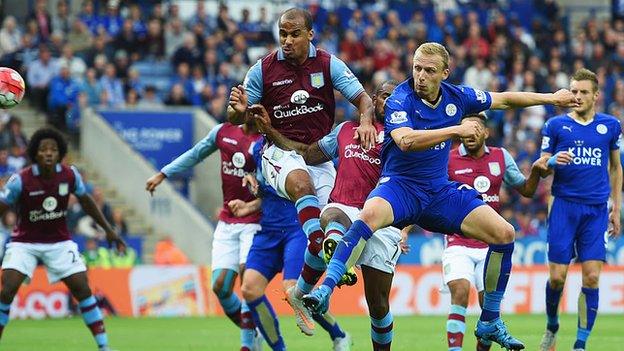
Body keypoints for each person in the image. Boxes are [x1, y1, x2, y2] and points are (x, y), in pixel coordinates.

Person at [303, 42, 579, 350]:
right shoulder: (400, 98)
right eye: (417, 68)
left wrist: (551, 98)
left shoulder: (457, 97)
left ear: (444, 73)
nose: (420, 75)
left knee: (504, 233)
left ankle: (489, 321)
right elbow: (405, 141)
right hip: (401, 186)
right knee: (368, 215)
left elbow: (503, 99)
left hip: (438, 192)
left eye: (429, 71)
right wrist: (454, 131)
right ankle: (325, 288)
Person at [227, 7, 377, 334]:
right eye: (283, 34)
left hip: (318, 156)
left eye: (294, 34)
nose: (287, 40)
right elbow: (238, 116)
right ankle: (322, 243)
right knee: (301, 185)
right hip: (278, 152)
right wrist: (238, 113)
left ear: (310, 34)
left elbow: (364, 99)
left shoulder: (328, 63)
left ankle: (301, 292)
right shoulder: (263, 70)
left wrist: (365, 122)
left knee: (337, 218)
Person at [251, 80, 406, 350]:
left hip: (383, 220)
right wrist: (270, 131)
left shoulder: (403, 138)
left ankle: (314, 282)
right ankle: (320, 280)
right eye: (384, 96)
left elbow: (417, 184)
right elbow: (306, 153)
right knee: (330, 218)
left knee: (378, 306)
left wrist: (406, 228)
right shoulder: (346, 131)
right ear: (373, 100)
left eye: (395, 97)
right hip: (345, 208)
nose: (389, 101)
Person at [0, 128, 125, 351]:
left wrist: (109, 230)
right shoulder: (21, 180)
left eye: (53, 149)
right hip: (24, 243)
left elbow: (86, 202)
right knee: (7, 289)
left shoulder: (69, 175)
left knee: (83, 289)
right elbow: (2, 206)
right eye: (43, 149)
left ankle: (104, 347)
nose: (48, 153)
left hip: (59, 243)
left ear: (60, 153)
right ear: (35, 154)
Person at [146, 118, 262, 351]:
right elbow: (195, 154)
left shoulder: (266, 140)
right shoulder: (223, 132)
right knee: (220, 286)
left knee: (246, 278)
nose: (236, 104)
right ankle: (254, 332)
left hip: (255, 220)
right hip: (227, 221)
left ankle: (247, 345)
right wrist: (163, 174)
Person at [438, 112, 548, 351]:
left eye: (475, 129)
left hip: (490, 245)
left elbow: (526, 190)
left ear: (486, 132)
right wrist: (405, 230)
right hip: (458, 242)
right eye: (465, 129)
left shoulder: (501, 156)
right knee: (460, 290)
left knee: (486, 306)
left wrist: (537, 172)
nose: (469, 134)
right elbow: (426, 191)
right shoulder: (448, 159)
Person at [231, 137, 351, 351]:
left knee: (292, 290)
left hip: (296, 229)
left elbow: (306, 187)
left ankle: (339, 335)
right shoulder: (258, 148)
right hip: (268, 229)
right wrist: (249, 202)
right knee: (249, 289)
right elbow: (267, 191)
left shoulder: (299, 144)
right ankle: (279, 348)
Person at [538, 68, 622, 351]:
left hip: (596, 210)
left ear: (596, 95)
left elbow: (615, 167)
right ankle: (552, 326)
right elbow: (540, 164)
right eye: (573, 91)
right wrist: (551, 162)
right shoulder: (555, 125)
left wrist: (616, 208)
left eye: (583, 92)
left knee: (592, 276)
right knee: (557, 277)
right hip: (563, 206)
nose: (577, 96)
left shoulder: (610, 126)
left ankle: (580, 344)